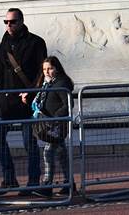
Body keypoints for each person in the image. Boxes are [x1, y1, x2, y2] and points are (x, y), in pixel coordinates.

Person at [0, 8, 47, 189]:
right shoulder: (3, 43)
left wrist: (31, 93)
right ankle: (9, 178)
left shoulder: (36, 42)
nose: (9, 25)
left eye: (13, 21)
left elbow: (42, 72)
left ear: (22, 21)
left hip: (26, 102)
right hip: (6, 101)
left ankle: (33, 181)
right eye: (6, 22)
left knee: (29, 142)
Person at [30, 56, 74, 196]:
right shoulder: (48, 83)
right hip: (50, 123)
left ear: (57, 68)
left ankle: (47, 185)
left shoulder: (61, 83)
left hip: (57, 125)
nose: (47, 72)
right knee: (62, 154)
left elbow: (68, 104)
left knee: (48, 152)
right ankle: (70, 184)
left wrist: (55, 118)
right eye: (44, 69)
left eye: (50, 68)